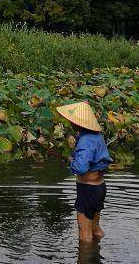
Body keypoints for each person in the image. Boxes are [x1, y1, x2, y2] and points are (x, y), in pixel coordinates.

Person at [58, 101, 111, 244]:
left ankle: (86, 258)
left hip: (88, 190)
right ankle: (97, 255)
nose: (70, 123)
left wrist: (71, 161)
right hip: (99, 187)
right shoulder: (97, 136)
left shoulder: (86, 141)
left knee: (84, 235)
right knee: (96, 230)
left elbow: (81, 168)